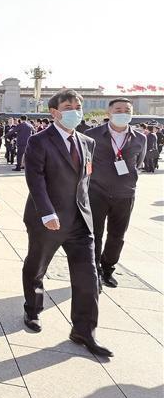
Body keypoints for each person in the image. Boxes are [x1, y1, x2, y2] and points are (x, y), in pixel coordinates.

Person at [21, 89, 112, 357]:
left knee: (88, 276)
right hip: (47, 219)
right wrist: (47, 213)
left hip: (80, 222)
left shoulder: (87, 142)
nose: (75, 111)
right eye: (69, 107)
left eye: (78, 107)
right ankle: (33, 309)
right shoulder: (39, 141)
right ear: (54, 112)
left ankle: (84, 330)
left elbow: (85, 181)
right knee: (37, 266)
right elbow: (35, 179)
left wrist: (90, 211)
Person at [85, 98, 146, 288]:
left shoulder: (140, 138)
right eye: (118, 110)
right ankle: (93, 271)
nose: (123, 113)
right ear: (109, 113)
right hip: (97, 192)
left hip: (125, 194)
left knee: (117, 235)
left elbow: (138, 163)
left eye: (127, 110)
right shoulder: (92, 135)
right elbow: (85, 163)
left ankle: (108, 268)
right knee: (94, 233)